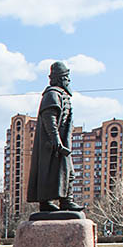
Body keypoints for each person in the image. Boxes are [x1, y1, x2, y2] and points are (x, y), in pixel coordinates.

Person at [27, 61, 83, 214]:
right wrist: (55, 139)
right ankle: (48, 202)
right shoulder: (52, 94)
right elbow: (49, 118)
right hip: (52, 146)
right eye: (66, 77)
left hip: (61, 143)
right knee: (51, 171)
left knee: (67, 172)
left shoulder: (60, 94)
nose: (68, 80)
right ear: (59, 78)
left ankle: (65, 200)